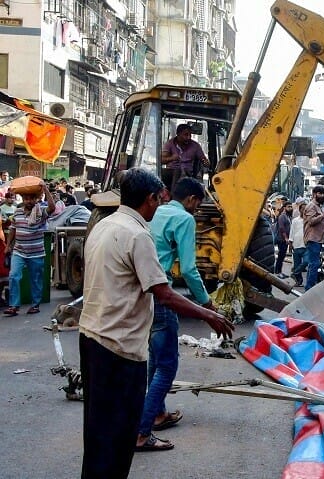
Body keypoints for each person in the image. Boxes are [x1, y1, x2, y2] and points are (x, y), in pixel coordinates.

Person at [78, 168, 233, 477]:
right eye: (158, 201)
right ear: (149, 199)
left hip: (91, 336)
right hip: (118, 347)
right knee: (119, 437)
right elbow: (163, 293)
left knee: (98, 431)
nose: (160, 207)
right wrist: (210, 314)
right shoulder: (137, 235)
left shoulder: (104, 225)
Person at [136, 177, 220, 452]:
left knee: (155, 360)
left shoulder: (156, 211)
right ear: (192, 200)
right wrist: (206, 303)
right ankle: (142, 430)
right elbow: (188, 269)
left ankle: (158, 413)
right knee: (168, 365)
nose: (197, 209)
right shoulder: (185, 219)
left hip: (144, 293)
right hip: (162, 295)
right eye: (198, 204)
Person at [3, 180, 56, 316]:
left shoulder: (41, 212)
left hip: (36, 252)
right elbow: (13, 229)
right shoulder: (18, 212)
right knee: (14, 276)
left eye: (31, 199)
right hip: (19, 251)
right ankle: (14, 305)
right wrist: (8, 246)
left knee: (35, 279)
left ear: (36, 199)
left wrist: (45, 190)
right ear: (23, 199)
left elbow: (52, 207)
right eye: (26, 199)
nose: (29, 201)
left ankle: (35, 304)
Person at [161, 123, 209, 193]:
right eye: (186, 135)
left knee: (180, 172)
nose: (189, 137)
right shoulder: (169, 144)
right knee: (168, 173)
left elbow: (203, 159)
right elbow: (161, 160)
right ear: (178, 134)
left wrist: (206, 162)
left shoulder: (195, 146)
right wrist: (172, 158)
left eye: (190, 135)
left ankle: (174, 195)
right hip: (171, 171)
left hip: (188, 173)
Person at [303, 185, 324, 290]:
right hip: (313, 238)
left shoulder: (318, 206)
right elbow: (311, 221)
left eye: (323, 193)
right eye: (320, 193)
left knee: (313, 264)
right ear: (314, 194)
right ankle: (310, 288)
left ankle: (309, 287)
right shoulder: (311, 206)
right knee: (314, 264)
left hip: (317, 239)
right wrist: (323, 215)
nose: (322, 195)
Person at [289, 200, 307, 286]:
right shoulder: (295, 220)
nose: (304, 211)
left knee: (306, 261)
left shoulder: (309, 221)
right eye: (303, 209)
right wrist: (290, 242)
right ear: (299, 210)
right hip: (296, 244)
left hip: (306, 245)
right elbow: (292, 232)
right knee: (297, 264)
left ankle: (295, 273)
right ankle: (299, 281)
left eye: (305, 209)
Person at [275, 202, 293, 276]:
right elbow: (281, 228)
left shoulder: (288, 216)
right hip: (281, 239)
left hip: (285, 239)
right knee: (281, 255)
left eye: (291, 207)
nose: (290, 208)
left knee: (282, 255)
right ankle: (278, 271)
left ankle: (279, 271)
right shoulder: (282, 216)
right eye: (289, 207)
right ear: (285, 207)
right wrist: (285, 238)